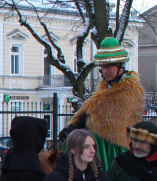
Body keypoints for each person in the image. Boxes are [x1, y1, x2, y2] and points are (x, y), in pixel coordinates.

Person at [61, 37, 145, 170]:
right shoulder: (105, 89)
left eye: (109, 66)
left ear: (120, 66)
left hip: (116, 149)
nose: (105, 71)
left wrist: (87, 121)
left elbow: (115, 125)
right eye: (103, 67)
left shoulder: (131, 91)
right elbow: (93, 111)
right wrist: (74, 125)